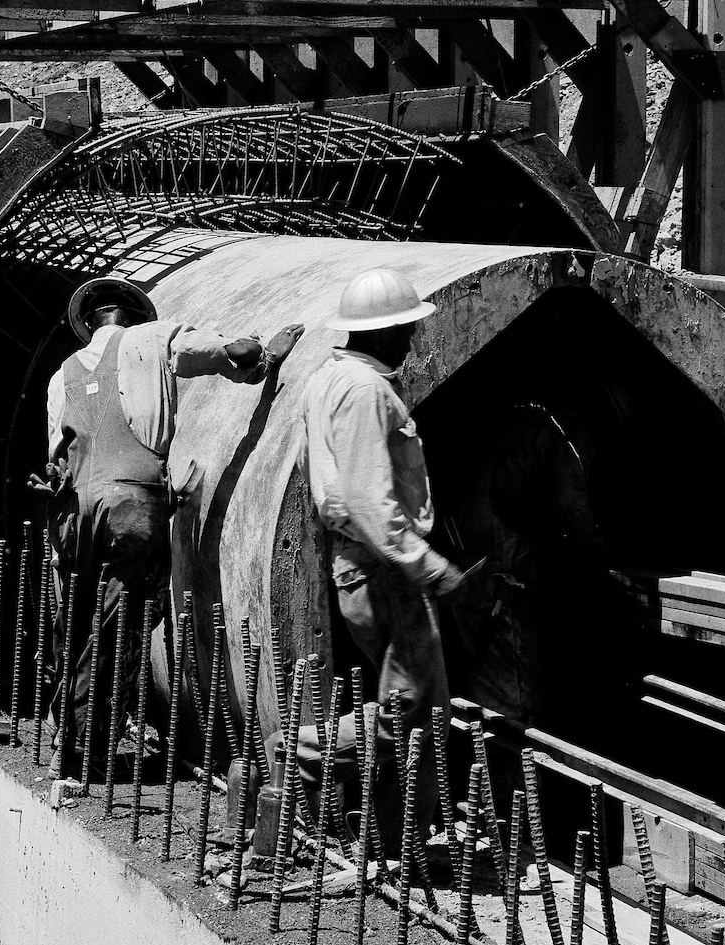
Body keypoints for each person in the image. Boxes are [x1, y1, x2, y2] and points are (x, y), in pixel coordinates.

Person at [46, 276, 296, 763]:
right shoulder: (155, 338)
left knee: (74, 624)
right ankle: (89, 752)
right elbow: (233, 354)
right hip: (132, 507)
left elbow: (54, 461)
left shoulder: (60, 377)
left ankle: (65, 739)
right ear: (137, 317)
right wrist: (267, 356)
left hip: (73, 514)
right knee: (123, 623)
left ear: (90, 322)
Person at [302, 265, 480, 739]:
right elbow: (367, 498)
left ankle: (401, 813)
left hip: (360, 565)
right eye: (406, 327)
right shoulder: (364, 391)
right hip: (384, 571)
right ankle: (291, 761)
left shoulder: (328, 380)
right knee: (413, 716)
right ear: (380, 332)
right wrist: (428, 566)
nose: (412, 337)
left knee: (407, 708)